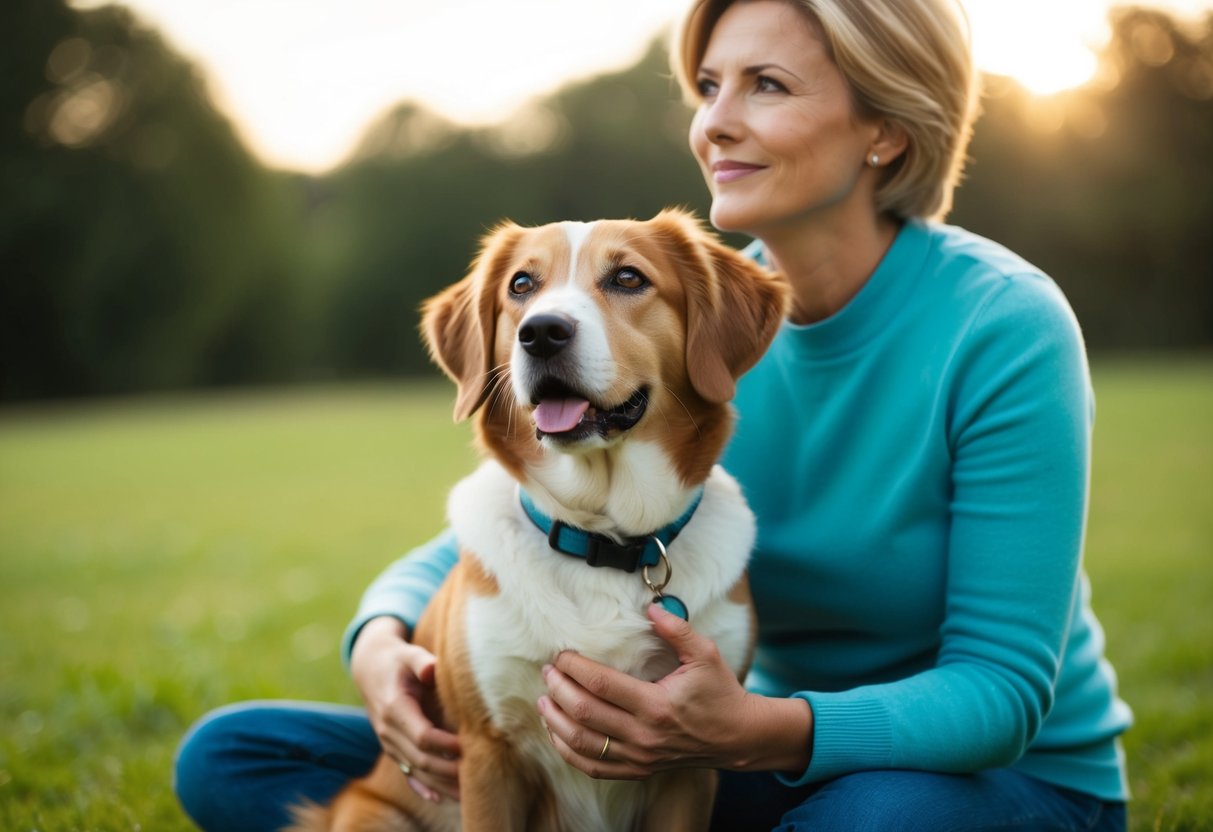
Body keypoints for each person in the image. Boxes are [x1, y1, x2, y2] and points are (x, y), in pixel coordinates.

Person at [174, 0, 1133, 829]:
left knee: (870, 817)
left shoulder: (1002, 324)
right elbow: (523, 522)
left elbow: (1002, 692)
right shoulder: (693, 315)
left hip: (983, 779)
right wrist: (382, 637)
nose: (715, 123)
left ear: (883, 126)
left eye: (764, 85)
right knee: (239, 754)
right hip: (725, 744)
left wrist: (759, 730)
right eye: (707, 87)